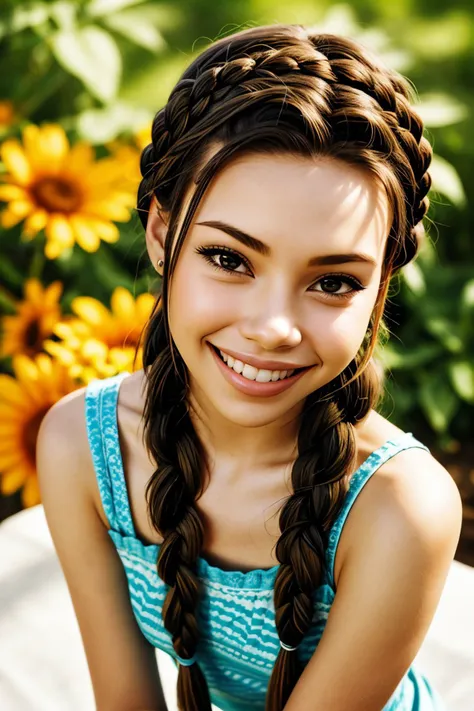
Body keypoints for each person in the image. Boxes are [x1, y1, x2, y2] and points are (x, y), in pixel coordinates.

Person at [37, 22, 463, 711]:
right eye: (230, 259)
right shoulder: (83, 447)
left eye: (334, 281)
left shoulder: (398, 511)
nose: (272, 328)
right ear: (159, 232)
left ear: (382, 284)